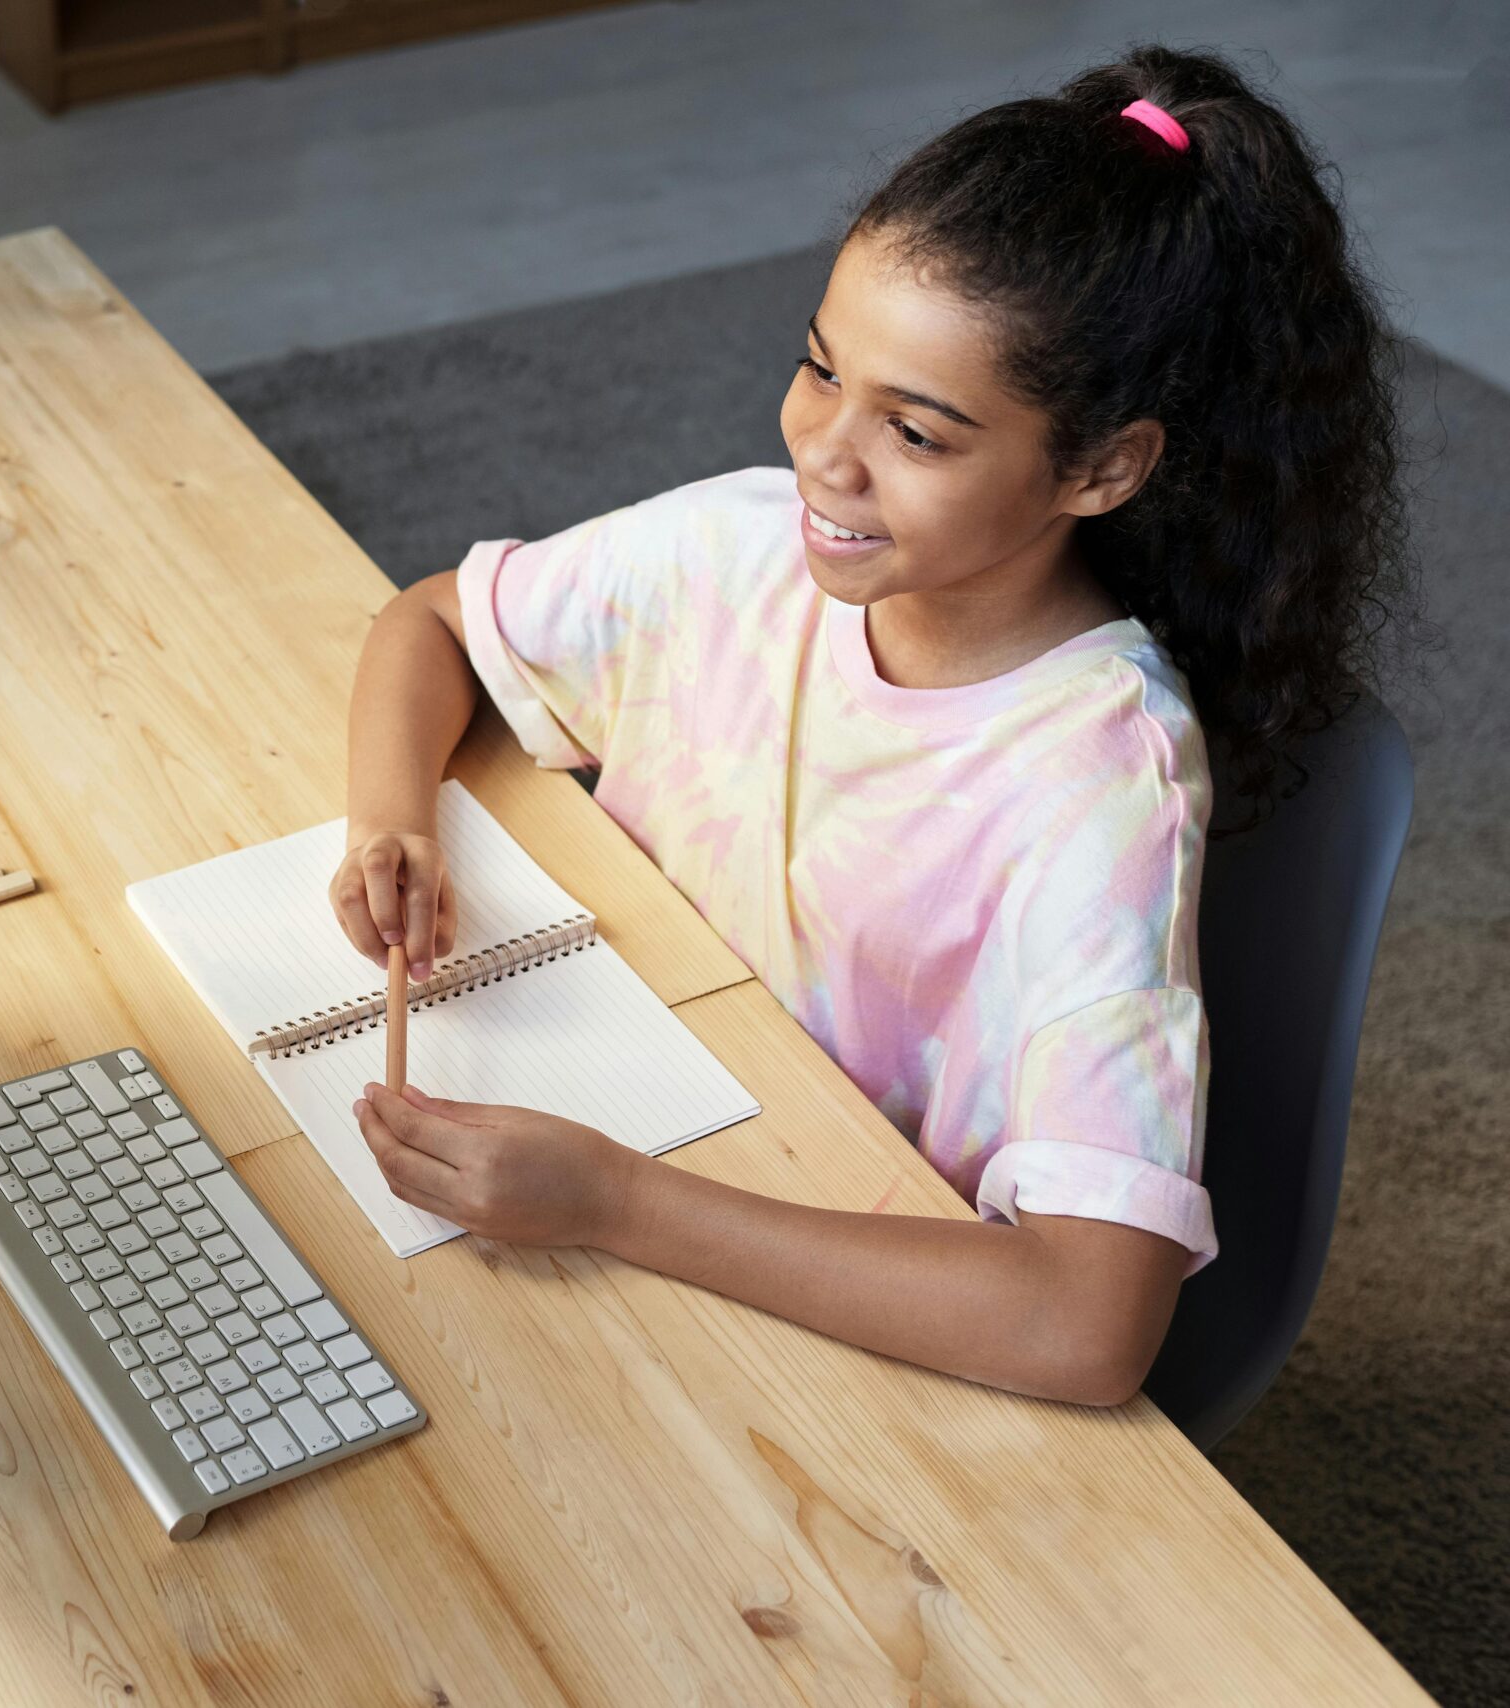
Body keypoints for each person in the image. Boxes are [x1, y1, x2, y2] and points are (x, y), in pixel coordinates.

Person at [331, 45, 1414, 1406]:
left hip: (839, 1286)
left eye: (919, 433)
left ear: (1102, 466)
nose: (823, 453)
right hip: (667, 1114)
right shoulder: (743, 550)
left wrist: (615, 1202)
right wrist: (392, 821)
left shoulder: (1096, 790)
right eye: (820, 369)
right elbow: (428, 622)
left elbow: (1086, 1325)